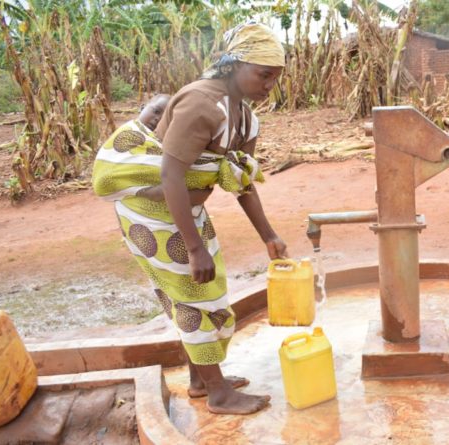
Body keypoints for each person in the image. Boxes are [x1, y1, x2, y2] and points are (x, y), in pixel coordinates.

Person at [92, 20, 287, 415]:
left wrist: (269, 235)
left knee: (207, 291)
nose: (269, 85)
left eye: (275, 78)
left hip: (185, 211)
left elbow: (240, 178)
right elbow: (170, 174)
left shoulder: (245, 118)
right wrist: (195, 248)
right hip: (153, 214)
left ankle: (202, 379)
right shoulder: (201, 103)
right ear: (233, 65)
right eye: (263, 74)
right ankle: (218, 394)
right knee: (193, 298)